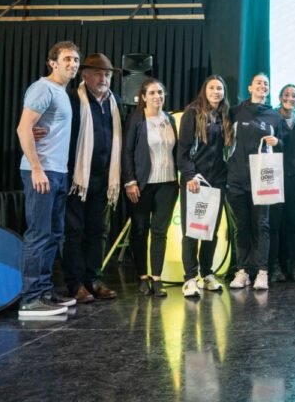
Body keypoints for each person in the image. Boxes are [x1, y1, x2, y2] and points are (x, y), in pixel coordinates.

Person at [16, 41, 80, 317]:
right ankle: (30, 299)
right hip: (41, 172)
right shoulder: (43, 88)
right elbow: (23, 128)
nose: (72, 64)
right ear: (52, 63)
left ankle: (44, 291)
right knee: (39, 235)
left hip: (58, 172)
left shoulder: (62, 92)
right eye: (67, 59)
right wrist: (37, 168)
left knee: (53, 235)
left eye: (75, 60)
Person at [64, 53, 122, 303]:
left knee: (97, 231)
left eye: (107, 74)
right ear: (84, 75)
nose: (104, 78)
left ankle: (94, 279)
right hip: (77, 179)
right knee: (75, 231)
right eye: (98, 73)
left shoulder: (115, 102)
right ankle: (76, 283)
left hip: (103, 178)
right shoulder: (71, 100)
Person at [226, 73, 285, 291]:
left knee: (262, 226)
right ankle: (242, 271)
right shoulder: (235, 112)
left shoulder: (274, 116)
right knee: (241, 227)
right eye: (259, 83)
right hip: (237, 178)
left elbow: (282, 144)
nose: (262, 86)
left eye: (266, 84)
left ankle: (262, 272)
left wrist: (277, 141)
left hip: (263, 180)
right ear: (250, 87)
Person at [177, 75, 234, 297]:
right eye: (212, 88)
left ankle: (207, 274)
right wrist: (190, 175)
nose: (216, 92)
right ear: (205, 90)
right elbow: (182, 150)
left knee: (210, 230)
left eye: (220, 88)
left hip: (217, 181)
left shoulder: (226, 115)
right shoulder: (192, 113)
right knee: (192, 231)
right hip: (195, 181)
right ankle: (190, 278)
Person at [122, 78, 179, 297]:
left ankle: (156, 278)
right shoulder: (136, 119)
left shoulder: (170, 120)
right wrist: (130, 181)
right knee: (139, 230)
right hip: (142, 185)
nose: (158, 96)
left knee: (159, 232)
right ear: (143, 97)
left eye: (160, 93)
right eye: (153, 93)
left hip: (167, 183)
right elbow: (126, 152)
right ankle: (142, 277)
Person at [268, 83, 295, 282]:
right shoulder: (272, 117)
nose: (290, 98)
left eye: (294, 95)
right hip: (274, 177)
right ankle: (274, 267)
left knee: (294, 225)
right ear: (280, 96)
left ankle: (294, 266)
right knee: (274, 224)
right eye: (286, 94)